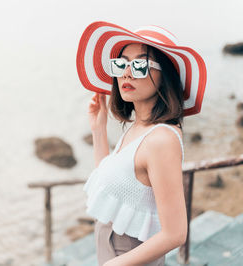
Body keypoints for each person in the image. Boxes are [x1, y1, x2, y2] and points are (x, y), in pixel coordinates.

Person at [76, 22, 207, 266]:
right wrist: (99, 130)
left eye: (139, 65)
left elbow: (176, 233)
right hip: (110, 253)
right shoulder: (137, 128)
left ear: (165, 75)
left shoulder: (161, 139)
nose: (126, 72)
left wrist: (112, 264)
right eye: (121, 63)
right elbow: (109, 185)